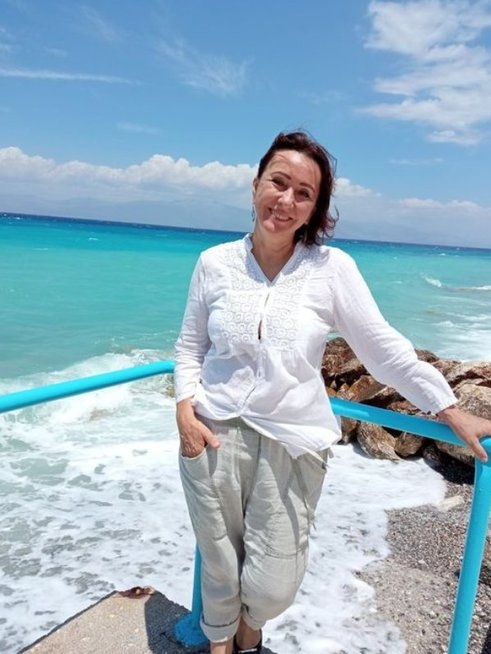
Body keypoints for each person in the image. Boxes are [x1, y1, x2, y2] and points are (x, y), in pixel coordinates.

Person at [174, 130, 491, 654]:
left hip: (292, 443)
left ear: (315, 208)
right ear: (255, 185)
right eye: (278, 182)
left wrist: (449, 407)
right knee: (219, 561)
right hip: (213, 434)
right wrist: (185, 411)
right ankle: (221, 643)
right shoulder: (214, 263)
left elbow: (382, 349)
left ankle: (252, 630)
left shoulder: (330, 269)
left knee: (272, 583)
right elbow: (190, 346)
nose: (286, 200)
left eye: (304, 193)